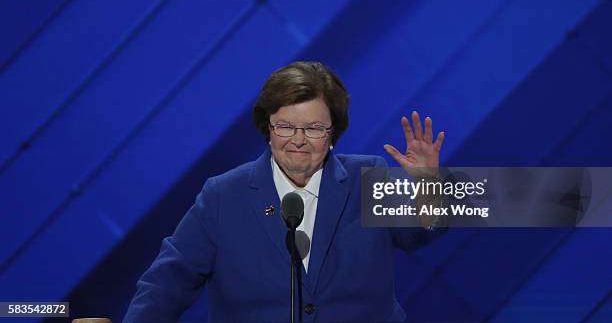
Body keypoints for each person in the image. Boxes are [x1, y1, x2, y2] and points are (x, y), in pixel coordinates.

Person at [123, 61, 446, 322]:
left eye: (314, 128)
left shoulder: (368, 176)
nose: (298, 140)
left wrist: (429, 183)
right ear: (268, 129)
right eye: (286, 126)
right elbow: (168, 282)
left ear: (333, 133)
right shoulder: (224, 195)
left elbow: (421, 231)